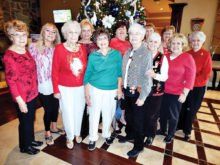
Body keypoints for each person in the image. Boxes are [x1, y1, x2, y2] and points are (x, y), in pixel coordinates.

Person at [3, 19, 43, 155]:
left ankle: (29, 140)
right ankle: (25, 147)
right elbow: (11, 81)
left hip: (31, 93)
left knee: (30, 119)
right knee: (25, 121)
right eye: (17, 35)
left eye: (24, 34)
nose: (22, 38)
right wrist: (20, 101)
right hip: (22, 96)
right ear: (11, 36)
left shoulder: (24, 50)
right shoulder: (10, 56)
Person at [84, 28, 122, 151]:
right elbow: (87, 74)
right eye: (99, 38)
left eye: (104, 38)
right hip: (95, 89)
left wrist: (119, 89)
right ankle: (93, 137)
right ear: (95, 41)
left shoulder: (116, 54)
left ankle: (106, 134)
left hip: (112, 89)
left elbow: (119, 73)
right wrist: (86, 94)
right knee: (94, 114)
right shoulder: (93, 56)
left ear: (108, 39)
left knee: (108, 113)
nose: (102, 41)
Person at [52, 20, 87, 149]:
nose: (73, 35)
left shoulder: (82, 48)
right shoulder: (59, 48)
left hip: (80, 87)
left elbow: (85, 69)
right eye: (70, 32)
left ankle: (77, 133)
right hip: (64, 87)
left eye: (76, 32)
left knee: (79, 111)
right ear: (65, 34)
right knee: (67, 112)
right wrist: (56, 89)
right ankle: (69, 135)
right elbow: (54, 71)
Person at [119, 23, 153, 158]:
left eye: (137, 34)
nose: (133, 36)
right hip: (127, 90)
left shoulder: (146, 53)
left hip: (139, 92)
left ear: (143, 36)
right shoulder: (128, 51)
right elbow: (124, 72)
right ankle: (130, 135)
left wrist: (143, 97)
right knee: (129, 117)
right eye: (131, 33)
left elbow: (147, 77)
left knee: (138, 120)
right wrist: (121, 89)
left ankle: (139, 146)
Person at [29, 23, 65, 146]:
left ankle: (54, 127)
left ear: (56, 35)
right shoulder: (34, 47)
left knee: (55, 107)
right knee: (48, 109)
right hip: (42, 84)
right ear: (43, 32)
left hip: (56, 83)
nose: (50, 33)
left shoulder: (58, 48)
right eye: (47, 31)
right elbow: (29, 66)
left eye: (53, 31)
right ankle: (47, 132)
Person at [157, 33, 196, 144]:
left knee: (173, 115)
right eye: (173, 43)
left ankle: (171, 134)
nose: (175, 45)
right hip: (164, 90)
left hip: (177, 92)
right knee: (163, 112)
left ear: (183, 45)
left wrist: (185, 93)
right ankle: (163, 129)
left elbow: (191, 77)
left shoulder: (187, 57)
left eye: (178, 43)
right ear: (169, 44)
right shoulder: (165, 56)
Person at [177, 31, 212, 141]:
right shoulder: (187, 54)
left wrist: (190, 82)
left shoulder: (206, 55)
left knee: (192, 109)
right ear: (190, 42)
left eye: (198, 41)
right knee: (182, 107)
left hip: (198, 87)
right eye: (193, 40)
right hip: (185, 86)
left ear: (202, 42)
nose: (195, 43)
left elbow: (206, 74)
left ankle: (187, 131)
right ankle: (179, 126)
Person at [144, 32, 169, 146]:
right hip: (143, 91)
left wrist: (154, 75)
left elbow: (165, 77)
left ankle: (150, 135)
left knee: (152, 115)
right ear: (147, 42)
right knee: (143, 113)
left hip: (156, 91)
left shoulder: (163, 58)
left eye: (155, 42)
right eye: (151, 41)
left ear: (159, 44)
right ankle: (143, 131)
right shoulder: (142, 55)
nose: (153, 44)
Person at [109, 21, 132, 130]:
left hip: (127, 76)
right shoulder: (112, 41)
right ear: (115, 32)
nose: (122, 31)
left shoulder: (129, 43)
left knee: (124, 99)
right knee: (115, 99)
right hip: (115, 75)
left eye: (123, 28)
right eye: (119, 29)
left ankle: (122, 117)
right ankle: (113, 121)